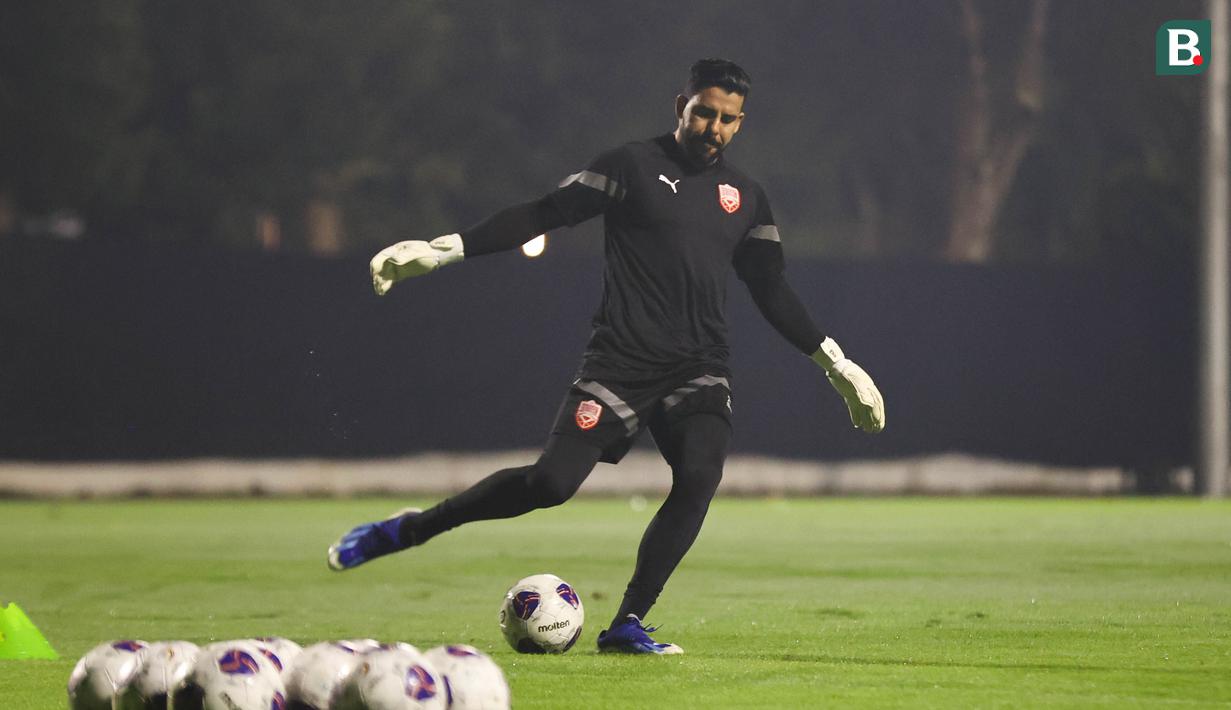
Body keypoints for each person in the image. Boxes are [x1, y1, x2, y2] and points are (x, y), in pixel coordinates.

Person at [328, 58, 885, 655]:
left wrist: (835, 362)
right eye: (704, 113)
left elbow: (770, 287)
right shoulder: (630, 166)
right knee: (549, 484)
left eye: (727, 120)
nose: (713, 128)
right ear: (681, 106)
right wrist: (445, 250)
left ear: (740, 123)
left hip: (699, 365)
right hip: (619, 362)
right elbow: (544, 213)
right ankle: (409, 529)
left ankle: (626, 623)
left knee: (700, 475)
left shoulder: (746, 197)